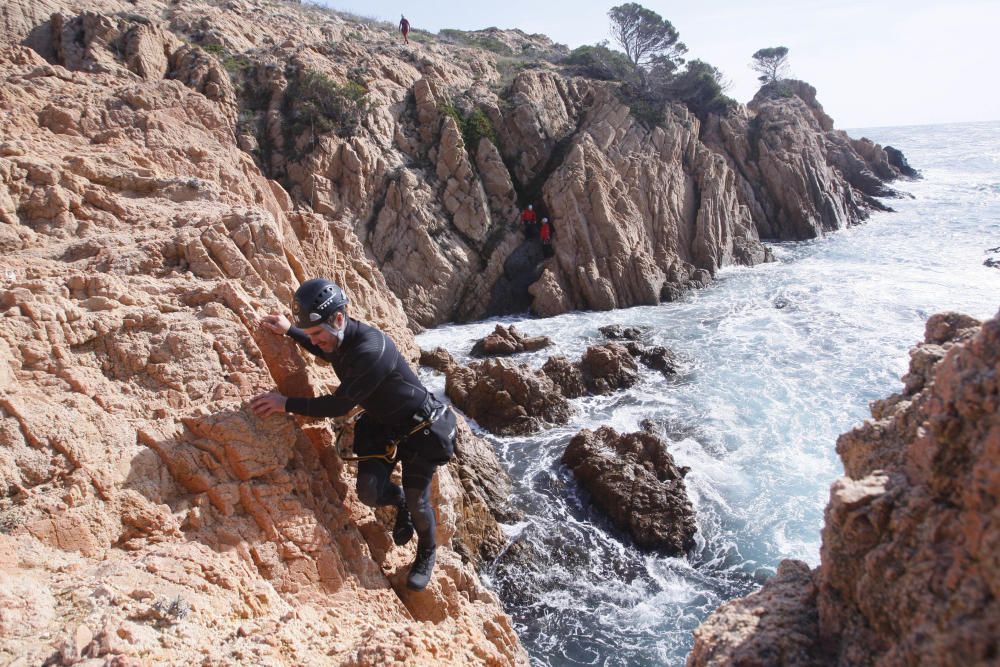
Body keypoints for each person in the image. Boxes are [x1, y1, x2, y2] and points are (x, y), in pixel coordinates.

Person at [250, 279, 456, 591]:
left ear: (339, 319)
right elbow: (327, 350)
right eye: (311, 335)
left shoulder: (371, 350)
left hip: (419, 429)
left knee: (419, 501)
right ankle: (396, 501)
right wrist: (291, 331)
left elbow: (338, 404)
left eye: (317, 334)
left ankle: (427, 551)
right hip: (382, 423)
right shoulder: (338, 339)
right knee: (369, 493)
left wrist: (285, 404)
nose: (316, 342)